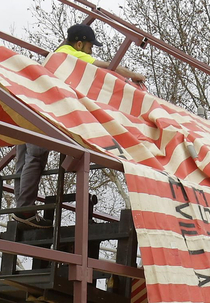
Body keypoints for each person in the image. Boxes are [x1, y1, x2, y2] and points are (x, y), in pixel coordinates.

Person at [11, 24, 147, 225]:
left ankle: (20, 209)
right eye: (90, 46)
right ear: (80, 43)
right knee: (36, 156)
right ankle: (24, 211)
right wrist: (134, 76)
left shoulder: (57, 54)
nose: (92, 50)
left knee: (23, 158)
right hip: (41, 110)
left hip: (26, 103)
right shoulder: (71, 54)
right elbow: (108, 67)